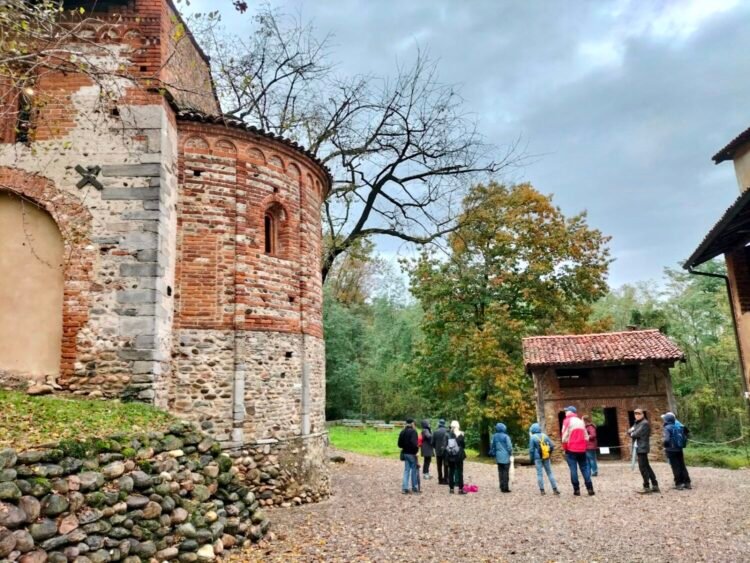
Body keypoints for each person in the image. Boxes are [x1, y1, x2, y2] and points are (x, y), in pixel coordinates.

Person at [561, 406, 595, 496]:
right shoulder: (580, 421)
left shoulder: (566, 421)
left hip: (571, 449)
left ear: (569, 412)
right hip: (582, 450)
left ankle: (576, 490)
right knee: (585, 468)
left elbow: (564, 438)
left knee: (573, 469)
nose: (565, 412)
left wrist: (565, 448)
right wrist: (582, 445)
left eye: (566, 410)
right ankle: (590, 488)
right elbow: (586, 437)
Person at [627, 408, 659, 494]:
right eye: (635, 414)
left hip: (642, 448)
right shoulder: (637, 423)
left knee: (643, 468)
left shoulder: (644, 423)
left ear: (642, 414)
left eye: (638, 414)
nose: (637, 415)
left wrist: (632, 432)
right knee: (647, 466)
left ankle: (646, 487)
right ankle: (655, 485)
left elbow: (635, 434)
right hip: (639, 447)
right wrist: (631, 432)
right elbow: (629, 431)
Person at [661, 412, 692, 490]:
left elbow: (667, 439)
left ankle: (678, 484)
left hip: (671, 450)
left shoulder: (667, 428)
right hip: (679, 448)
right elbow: (686, 433)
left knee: (675, 467)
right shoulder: (677, 426)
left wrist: (664, 444)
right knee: (682, 465)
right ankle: (687, 483)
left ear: (666, 420)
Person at [529, 422, 560, 495]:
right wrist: (549, 454)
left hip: (537, 458)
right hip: (546, 456)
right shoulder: (545, 436)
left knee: (539, 474)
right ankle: (555, 489)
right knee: (549, 473)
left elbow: (531, 450)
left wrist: (531, 459)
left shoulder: (533, 438)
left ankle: (542, 490)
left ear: (532, 430)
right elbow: (552, 446)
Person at [397, 418, 420, 494]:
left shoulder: (402, 432)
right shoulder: (413, 432)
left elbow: (399, 444)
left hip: (405, 453)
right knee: (414, 470)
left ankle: (405, 488)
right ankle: (414, 487)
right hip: (412, 454)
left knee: (406, 470)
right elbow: (414, 443)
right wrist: (416, 451)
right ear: (412, 423)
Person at [489, 422, 513, 492]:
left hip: (498, 456)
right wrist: (510, 454)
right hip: (505, 456)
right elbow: (509, 447)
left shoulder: (494, 436)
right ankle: (505, 488)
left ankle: (501, 486)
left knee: (500, 472)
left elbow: (492, 445)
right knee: (506, 472)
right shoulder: (506, 436)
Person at [446, 420, 467, 494]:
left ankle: (451, 489)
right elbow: (464, 445)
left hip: (451, 455)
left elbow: (446, 445)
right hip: (459, 455)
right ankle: (460, 489)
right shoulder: (461, 434)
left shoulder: (449, 434)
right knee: (460, 471)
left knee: (451, 471)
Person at [432, 418, 449, 485]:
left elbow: (432, 442)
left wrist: (436, 447)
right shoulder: (447, 431)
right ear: (444, 424)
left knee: (439, 466)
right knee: (446, 465)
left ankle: (440, 479)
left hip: (438, 451)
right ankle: (446, 479)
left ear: (439, 424)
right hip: (446, 451)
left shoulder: (435, 432)